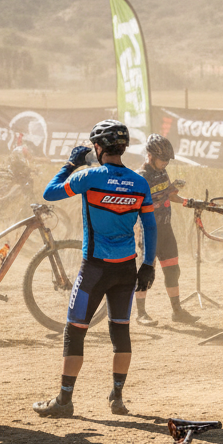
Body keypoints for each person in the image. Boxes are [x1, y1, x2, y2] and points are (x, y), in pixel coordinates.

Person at [33, 120, 157, 418]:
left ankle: (64, 401)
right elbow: (150, 227)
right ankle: (117, 398)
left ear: (98, 147)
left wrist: (70, 163)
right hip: (127, 268)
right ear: (123, 148)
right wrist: (149, 265)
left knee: (74, 331)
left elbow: (50, 193)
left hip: (95, 269)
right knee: (120, 330)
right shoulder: (140, 183)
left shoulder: (89, 177)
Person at [134, 134, 198, 325]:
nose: (166, 164)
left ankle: (177, 312)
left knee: (172, 270)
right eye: (163, 160)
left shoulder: (162, 173)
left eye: (168, 161)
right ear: (151, 156)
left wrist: (187, 201)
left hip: (166, 228)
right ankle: (141, 314)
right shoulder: (140, 176)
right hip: (148, 230)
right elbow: (143, 205)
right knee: (146, 272)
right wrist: (164, 194)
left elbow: (170, 196)